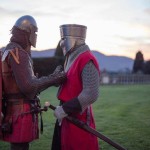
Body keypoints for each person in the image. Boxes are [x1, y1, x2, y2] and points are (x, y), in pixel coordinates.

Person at [1, 15, 66, 150]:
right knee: (20, 147)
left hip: (13, 110)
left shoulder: (7, 51)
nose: (35, 36)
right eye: (34, 32)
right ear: (27, 32)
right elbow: (29, 87)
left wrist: (51, 77)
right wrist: (55, 78)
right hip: (21, 112)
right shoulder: (19, 53)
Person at [52, 24, 100, 150]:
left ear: (76, 39)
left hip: (79, 117)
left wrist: (65, 109)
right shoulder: (70, 57)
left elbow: (91, 94)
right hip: (66, 115)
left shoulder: (87, 59)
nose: (62, 43)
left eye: (64, 39)